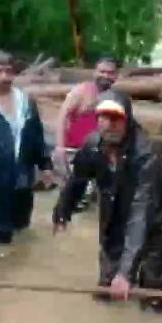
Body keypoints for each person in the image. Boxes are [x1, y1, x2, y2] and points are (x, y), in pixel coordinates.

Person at [52, 89, 162, 314]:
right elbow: (77, 179)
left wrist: (126, 272)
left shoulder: (146, 153)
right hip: (114, 218)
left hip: (152, 224)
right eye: (103, 117)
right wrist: (62, 211)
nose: (109, 125)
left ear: (127, 120)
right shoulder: (93, 144)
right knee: (106, 292)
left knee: (154, 298)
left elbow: (141, 211)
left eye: (116, 118)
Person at [0, 50, 53, 244]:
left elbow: (37, 135)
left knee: (22, 229)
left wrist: (46, 165)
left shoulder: (26, 101)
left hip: (23, 175)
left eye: (9, 71)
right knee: (1, 233)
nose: (5, 77)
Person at [53, 56, 120, 210]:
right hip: (74, 150)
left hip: (100, 151)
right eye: (102, 71)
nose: (106, 76)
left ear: (116, 76)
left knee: (101, 196)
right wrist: (60, 147)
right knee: (75, 197)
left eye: (110, 73)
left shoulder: (115, 96)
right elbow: (62, 116)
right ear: (94, 72)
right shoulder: (81, 91)